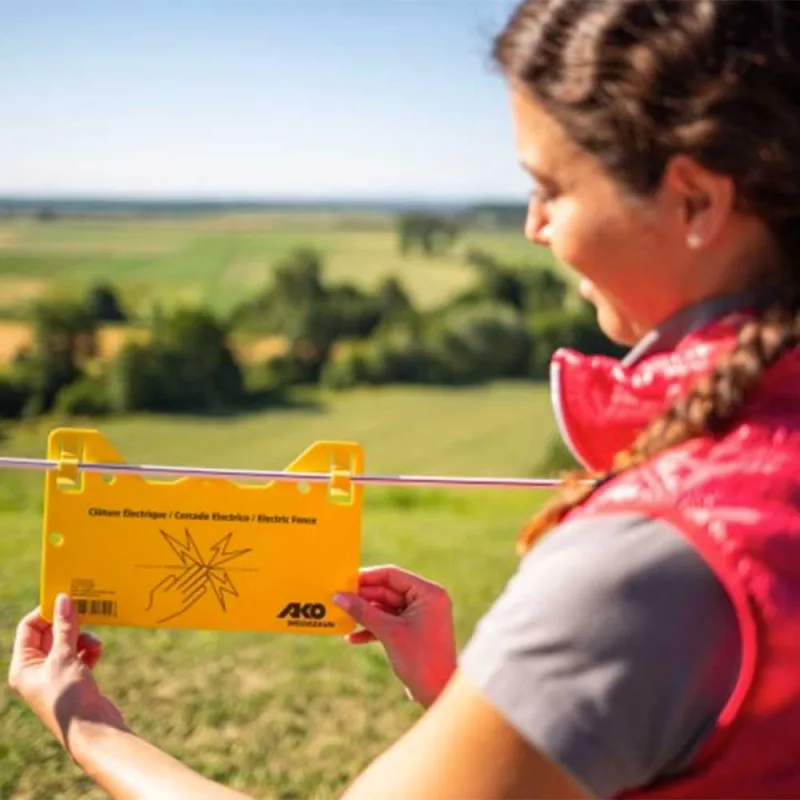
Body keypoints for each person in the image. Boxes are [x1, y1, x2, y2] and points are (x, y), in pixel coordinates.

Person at [10, 0, 800, 796]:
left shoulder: (652, 558)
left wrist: (86, 724)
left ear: (696, 203)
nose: (532, 225)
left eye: (550, 186)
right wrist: (479, 695)